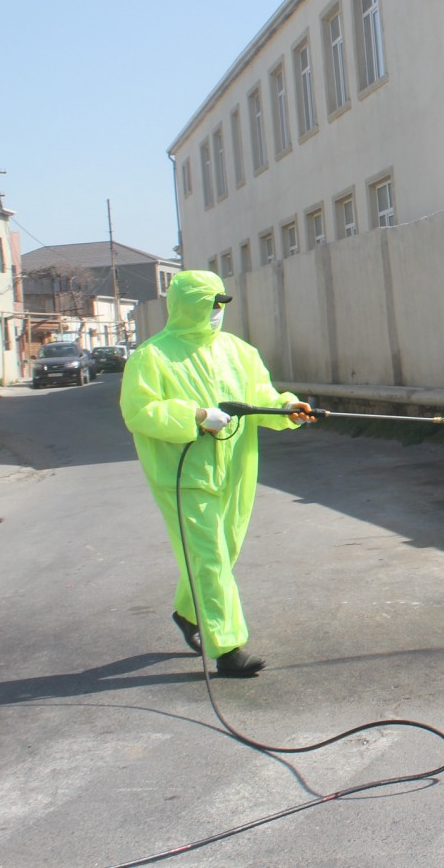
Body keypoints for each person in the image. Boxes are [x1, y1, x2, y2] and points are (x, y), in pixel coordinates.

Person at [119, 270, 313, 676]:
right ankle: (227, 648)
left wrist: (288, 410)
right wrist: (195, 416)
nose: (218, 311)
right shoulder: (152, 357)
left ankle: (189, 614)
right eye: (212, 304)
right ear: (189, 305)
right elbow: (140, 411)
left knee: (223, 553)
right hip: (183, 474)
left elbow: (261, 398)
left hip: (236, 471)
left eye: (222, 304)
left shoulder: (239, 352)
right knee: (208, 557)